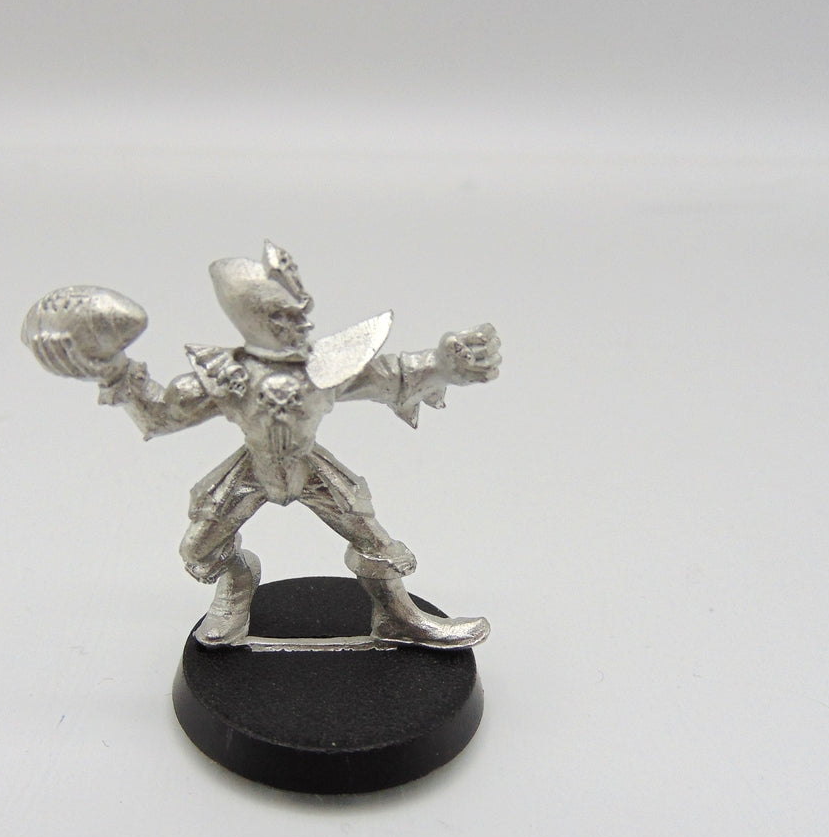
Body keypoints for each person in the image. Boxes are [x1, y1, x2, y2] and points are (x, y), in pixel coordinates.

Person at [33, 241, 500, 648]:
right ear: (252, 319)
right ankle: (238, 584)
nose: (300, 323)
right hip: (251, 471)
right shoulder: (227, 377)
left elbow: (392, 375)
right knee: (198, 550)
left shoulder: (324, 368)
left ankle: (398, 617)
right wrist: (112, 370)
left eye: (301, 311)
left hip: (311, 469)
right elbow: (162, 413)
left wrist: (444, 365)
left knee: (374, 541)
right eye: (283, 315)